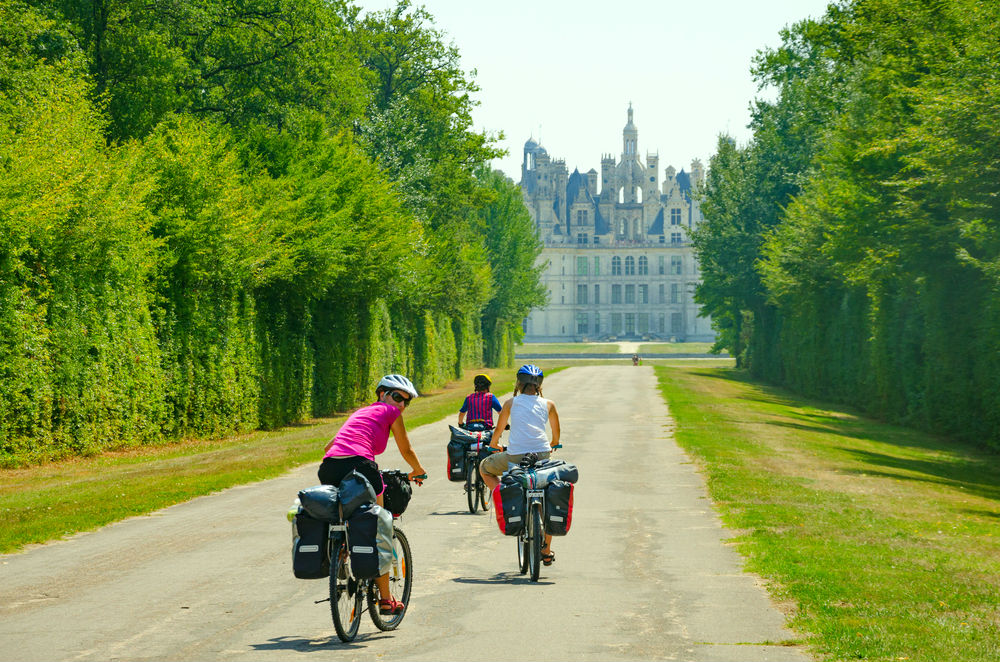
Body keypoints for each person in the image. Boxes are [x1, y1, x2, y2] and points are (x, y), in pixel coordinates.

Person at [319, 374, 427, 615]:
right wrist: (418, 470)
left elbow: (329, 447)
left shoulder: (360, 413)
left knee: (345, 516)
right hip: (361, 465)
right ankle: (387, 600)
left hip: (329, 467)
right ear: (382, 394)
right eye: (397, 397)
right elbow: (406, 449)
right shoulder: (391, 413)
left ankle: (341, 552)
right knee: (380, 526)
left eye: (406, 401)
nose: (401, 404)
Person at [480, 364, 561, 566]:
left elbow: (499, 430)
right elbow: (555, 434)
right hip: (542, 456)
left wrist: (494, 445)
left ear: (519, 383)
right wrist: (553, 444)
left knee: (484, 468)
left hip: (515, 456)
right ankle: (546, 550)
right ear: (539, 385)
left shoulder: (510, 403)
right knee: (549, 497)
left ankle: (504, 495)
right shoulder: (549, 404)